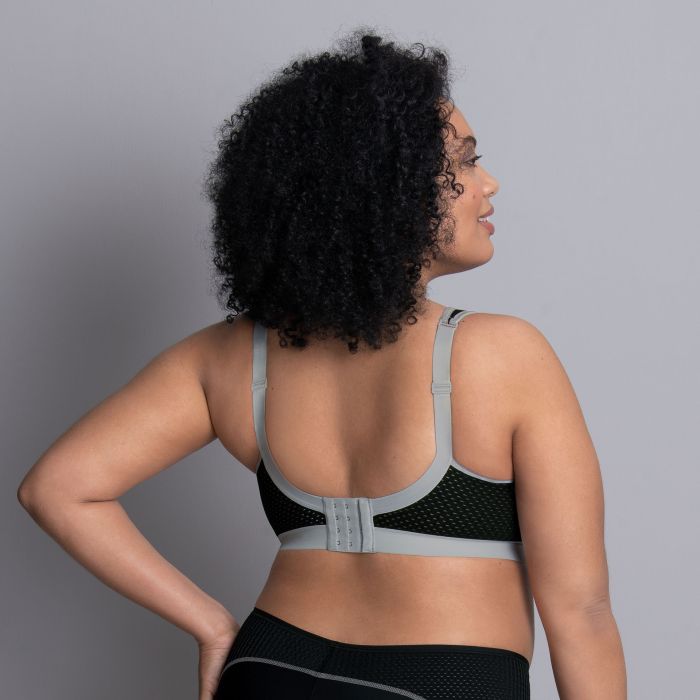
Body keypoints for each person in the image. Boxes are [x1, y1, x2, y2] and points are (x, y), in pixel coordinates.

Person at [16, 28, 626, 700]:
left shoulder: (229, 357)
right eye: (465, 162)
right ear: (385, 188)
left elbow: (59, 488)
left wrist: (213, 627)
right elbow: (582, 612)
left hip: (267, 671)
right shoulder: (503, 353)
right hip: (441, 682)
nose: (488, 183)